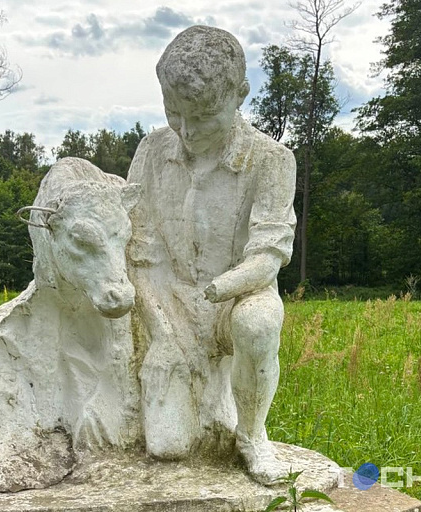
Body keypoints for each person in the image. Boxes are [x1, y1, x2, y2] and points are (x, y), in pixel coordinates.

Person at [126, 25, 296, 485]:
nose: (186, 130)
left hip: (236, 297)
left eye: (202, 116)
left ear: (239, 95)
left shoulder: (271, 160)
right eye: (174, 112)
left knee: (258, 324)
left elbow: (266, 258)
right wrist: (162, 330)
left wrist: (219, 291)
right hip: (168, 304)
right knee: (167, 447)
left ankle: (252, 435)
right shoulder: (151, 151)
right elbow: (140, 257)